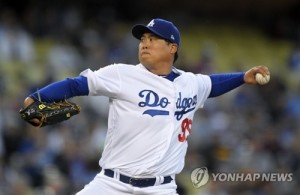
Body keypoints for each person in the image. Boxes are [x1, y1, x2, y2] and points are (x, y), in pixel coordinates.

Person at [22, 18, 270, 195]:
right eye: (143, 39)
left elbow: (211, 84)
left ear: (172, 48)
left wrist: (242, 77)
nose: (144, 43)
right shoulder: (122, 74)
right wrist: (37, 97)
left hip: (161, 188)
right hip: (111, 185)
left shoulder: (190, 83)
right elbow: (76, 85)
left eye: (153, 39)